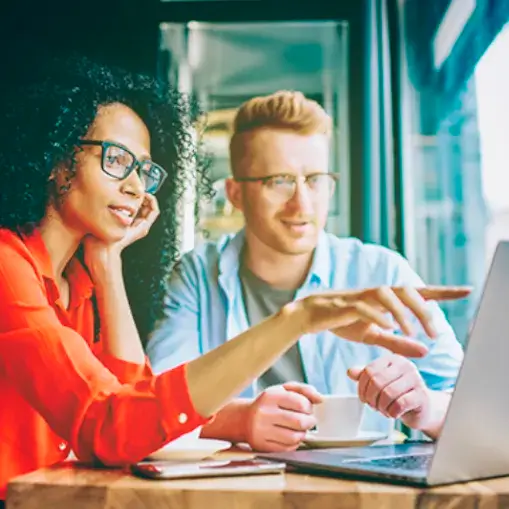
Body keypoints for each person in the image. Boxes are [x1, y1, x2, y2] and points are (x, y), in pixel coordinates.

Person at [0, 54, 469, 504]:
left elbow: (132, 408)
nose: (136, 187)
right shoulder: (9, 267)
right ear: (58, 159)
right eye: (117, 161)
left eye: (143, 170)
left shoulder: (79, 284)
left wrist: (107, 264)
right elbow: (122, 421)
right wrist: (296, 321)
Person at [146, 91, 467, 452]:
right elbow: (155, 405)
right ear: (236, 194)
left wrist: (423, 407)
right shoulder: (197, 274)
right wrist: (241, 420)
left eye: (315, 179)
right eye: (279, 181)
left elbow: (475, 403)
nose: (302, 203)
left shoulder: (381, 270)